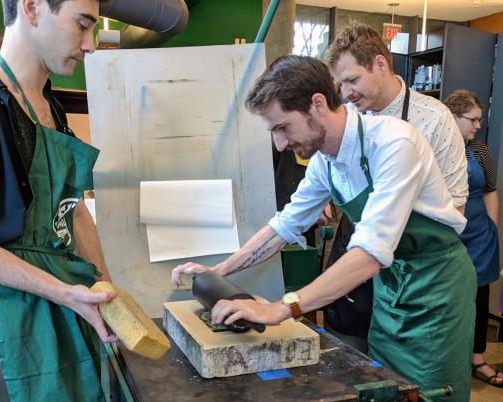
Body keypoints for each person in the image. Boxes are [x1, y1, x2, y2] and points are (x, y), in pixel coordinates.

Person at [172, 55, 476, 401]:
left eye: (283, 127)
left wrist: (280, 308)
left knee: (430, 393)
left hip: (437, 290)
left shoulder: (393, 143)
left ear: (317, 104)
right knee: (387, 386)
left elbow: (370, 254)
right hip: (393, 289)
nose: (280, 144)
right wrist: (217, 271)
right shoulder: (324, 163)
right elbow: (284, 226)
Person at [0, 0, 118, 401]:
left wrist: (106, 291)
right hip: (4, 319)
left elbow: (74, 210)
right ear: (32, 8)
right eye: (82, 25)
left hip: (61, 304)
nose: (90, 44)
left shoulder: (51, 106)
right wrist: (61, 291)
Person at [318, 24, 469, 351]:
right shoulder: (349, 117)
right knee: (347, 353)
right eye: (341, 84)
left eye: (352, 80)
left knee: (403, 366)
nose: (346, 93)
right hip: (355, 249)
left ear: (380, 64)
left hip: (415, 270)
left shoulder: (434, 119)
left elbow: (456, 206)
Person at [444, 90, 502, 388]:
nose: (478, 125)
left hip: (480, 236)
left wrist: (492, 226)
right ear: (453, 117)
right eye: (473, 119)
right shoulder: (436, 149)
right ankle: (448, 359)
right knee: (449, 298)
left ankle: (477, 358)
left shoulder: (479, 150)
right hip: (448, 237)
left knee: (479, 299)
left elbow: (490, 189)